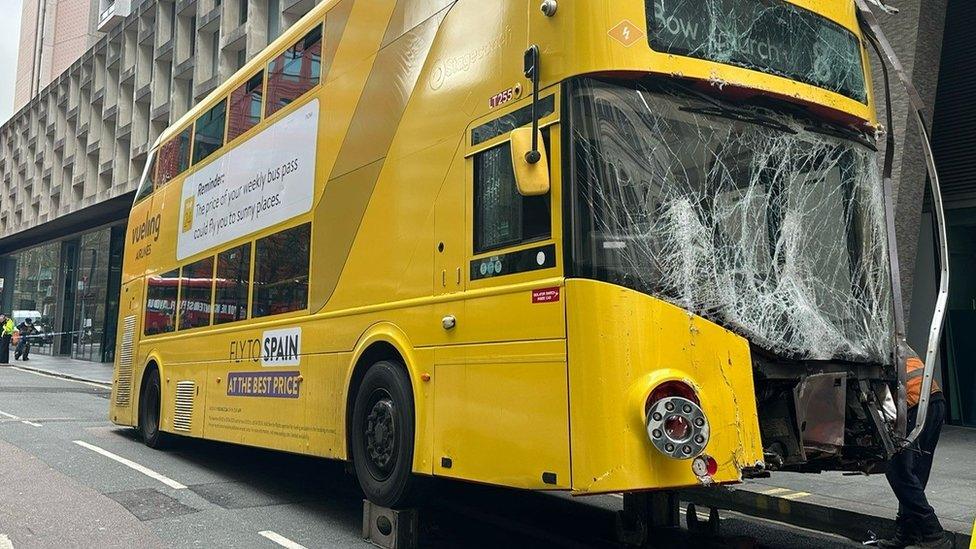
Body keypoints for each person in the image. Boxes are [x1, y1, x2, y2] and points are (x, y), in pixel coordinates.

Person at [878, 344, 949, 549]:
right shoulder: (890, 335)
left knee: (898, 472)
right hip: (932, 399)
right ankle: (907, 533)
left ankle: (933, 532)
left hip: (913, 403)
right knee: (914, 475)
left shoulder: (867, 340)